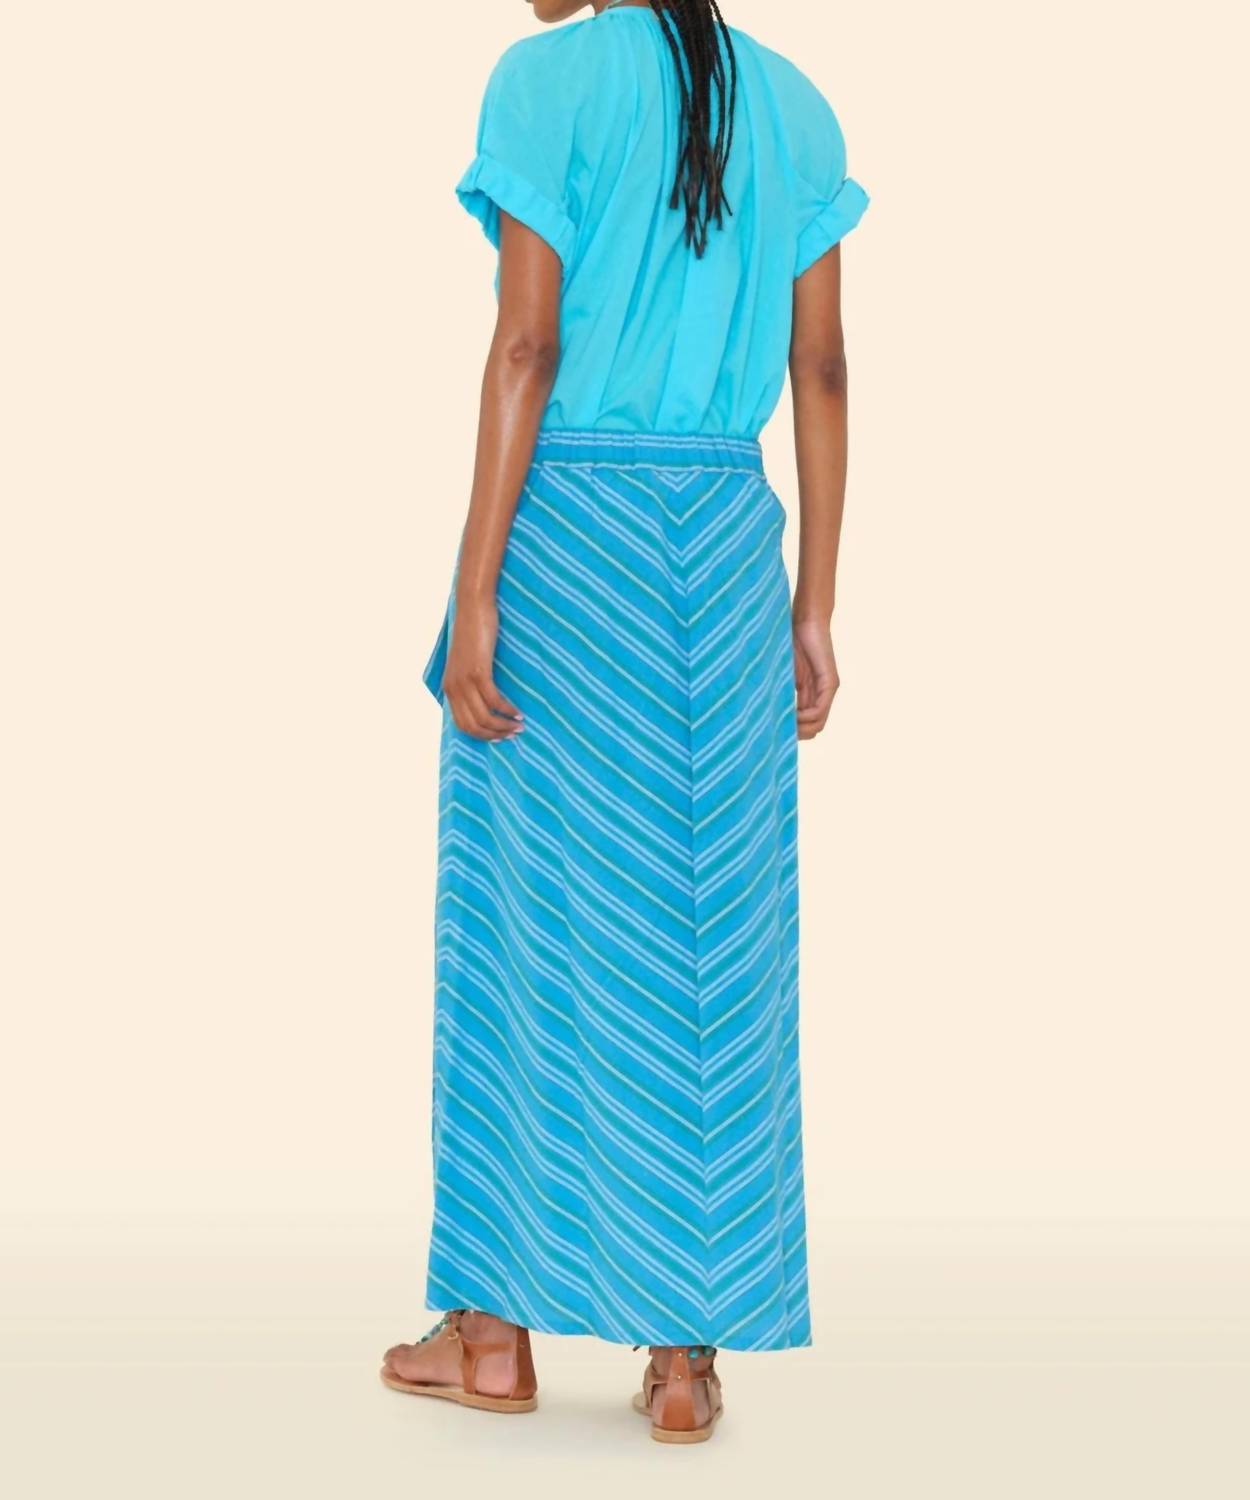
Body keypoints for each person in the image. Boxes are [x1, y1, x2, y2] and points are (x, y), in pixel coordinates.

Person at [381, 0, 867, 1444]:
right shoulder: (792, 104)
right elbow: (822, 370)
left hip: (570, 538)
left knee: (522, 923)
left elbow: (525, 346)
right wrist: (812, 605)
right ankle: (683, 1357)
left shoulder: (547, 80)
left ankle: (491, 1336)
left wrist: (476, 587)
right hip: (722, 543)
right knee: (708, 939)